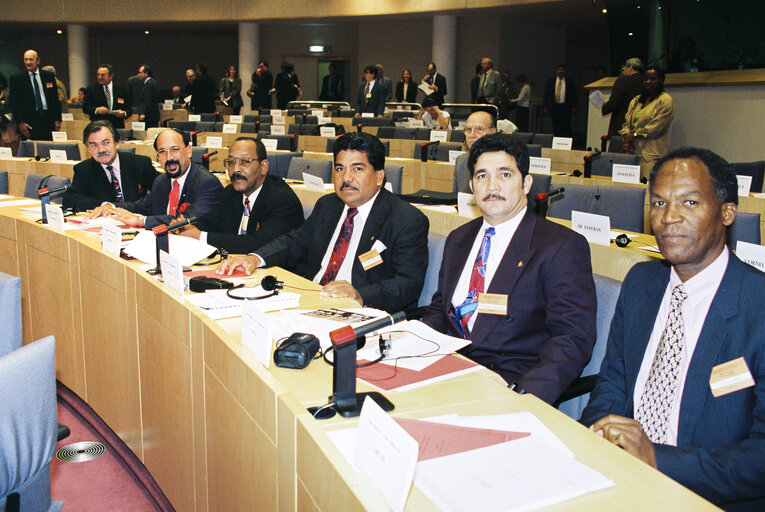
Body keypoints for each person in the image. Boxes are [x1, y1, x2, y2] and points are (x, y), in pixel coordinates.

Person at [581, 147, 765, 509]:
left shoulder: (756, 305)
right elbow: (614, 383)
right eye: (659, 203)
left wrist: (657, 460)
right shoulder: (642, 282)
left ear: (727, 212)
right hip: (619, 480)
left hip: (706, 495)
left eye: (690, 203)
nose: (669, 219)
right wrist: (596, 435)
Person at [423, 133, 596, 403]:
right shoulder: (459, 238)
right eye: (482, 176)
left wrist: (523, 396)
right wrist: (416, 346)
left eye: (504, 175)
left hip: (506, 382)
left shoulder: (560, 246)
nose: (492, 186)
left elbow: (572, 339)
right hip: (446, 370)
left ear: (526, 183)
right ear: (471, 185)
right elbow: (440, 307)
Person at [217, 132, 429, 313]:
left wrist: (359, 294)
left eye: (357, 169)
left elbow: (408, 283)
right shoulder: (329, 206)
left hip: (359, 312)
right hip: (312, 299)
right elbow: (294, 241)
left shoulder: (405, 220)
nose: (346, 178)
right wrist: (255, 258)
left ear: (379, 176)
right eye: (339, 169)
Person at [177, 137, 304, 254]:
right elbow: (210, 222)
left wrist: (200, 236)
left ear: (263, 167)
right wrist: (186, 228)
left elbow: (260, 244)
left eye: (245, 162)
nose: (235, 169)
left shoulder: (282, 199)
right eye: (231, 162)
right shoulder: (231, 192)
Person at [86, 128, 222, 229]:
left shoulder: (206, 183)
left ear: (188, 151)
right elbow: (141, 206)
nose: (169, 158)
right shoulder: (162, 181)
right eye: (162, 152)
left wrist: (141, 221)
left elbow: (186, 221)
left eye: (174, 149)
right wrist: (111, 207)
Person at [63, 121, 158, 212]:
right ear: (89, 149)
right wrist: (105, 205)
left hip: (136, 221)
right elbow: (70, 199)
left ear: (116, 143)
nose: (101, 150)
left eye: (106, 143)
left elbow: (164, 187)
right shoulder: (84, 169)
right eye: (94, 145)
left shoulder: (140, 163)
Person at [619, 66, 674, 181]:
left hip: (651, 155)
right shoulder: (636, 100)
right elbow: (627, 122)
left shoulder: (665, 100)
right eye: (645, 79)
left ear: (660, 81)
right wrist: (626, 137)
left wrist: (633, 135)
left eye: (652, 79)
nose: (648, 82)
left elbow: (655, 128)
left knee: (647, 190)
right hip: (632, 152)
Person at [8, 49, 61, 141]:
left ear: (38, 61)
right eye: (26, 60)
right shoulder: (17, 78)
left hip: (47, 120)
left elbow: (54, 99)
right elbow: (14, 103)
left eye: (31, 59)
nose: (28, 62)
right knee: (31, 152)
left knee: (48, 150)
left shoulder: (48, 76)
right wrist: (20, 122)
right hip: (28, 122)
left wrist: (57, 119)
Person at [453, 110, 497, 193]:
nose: (472, 135)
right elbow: (455, 199)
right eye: (468, 129)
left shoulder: (503, 162)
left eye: (479, 129)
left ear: (492, 132)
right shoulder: (461, 160)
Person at [601, 57, 644, 137]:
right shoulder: (645, 82)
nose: (623, 71)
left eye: (624, 69)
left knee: (617, 148)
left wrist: (604, 107)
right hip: (640, 123)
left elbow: (613, 103)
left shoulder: (623, 80)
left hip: (622, 123)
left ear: (630, 67)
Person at [83, 64, 131, 129]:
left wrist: (124, 113)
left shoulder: (121, 90)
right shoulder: (91, 89)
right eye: (98, 74)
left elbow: (129, 109)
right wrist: (97, 110)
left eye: (102, 75)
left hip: (117, 127)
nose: (99, 77)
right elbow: (85, 108)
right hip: (98, 127)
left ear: (111, 76)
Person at [543, 64, 576, 137]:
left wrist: (574, 106)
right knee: (555, 125)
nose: (561, 71)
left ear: (565, 71)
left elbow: (573, 94)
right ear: (556, 71)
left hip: (566, 106)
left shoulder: (570, 82)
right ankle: (556, 141)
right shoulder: (550, 81)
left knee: (566, 125)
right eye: (559, 70)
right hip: (555, 106)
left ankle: (566, 142)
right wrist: (545, 106)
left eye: (562, 70)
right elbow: (546, 94)